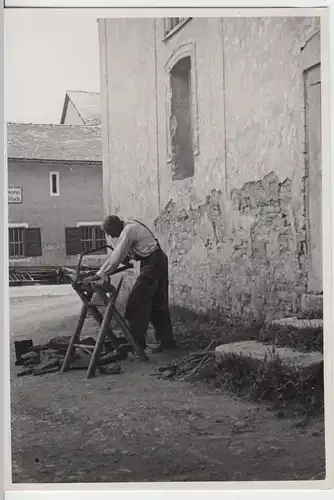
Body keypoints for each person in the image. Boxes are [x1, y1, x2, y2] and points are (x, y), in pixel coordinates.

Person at [82, 215, 177, 353]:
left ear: (115, 227)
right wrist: (128, 259)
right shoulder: (129, 229)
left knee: (137, 301)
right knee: (157, 303)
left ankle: (137, 343)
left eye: (110, 232)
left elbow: (116, 257)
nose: (111, 236)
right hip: (155, 261)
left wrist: (97, 275)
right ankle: (167, 342)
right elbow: (126, 256)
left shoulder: (129, 230)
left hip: (154, 263)